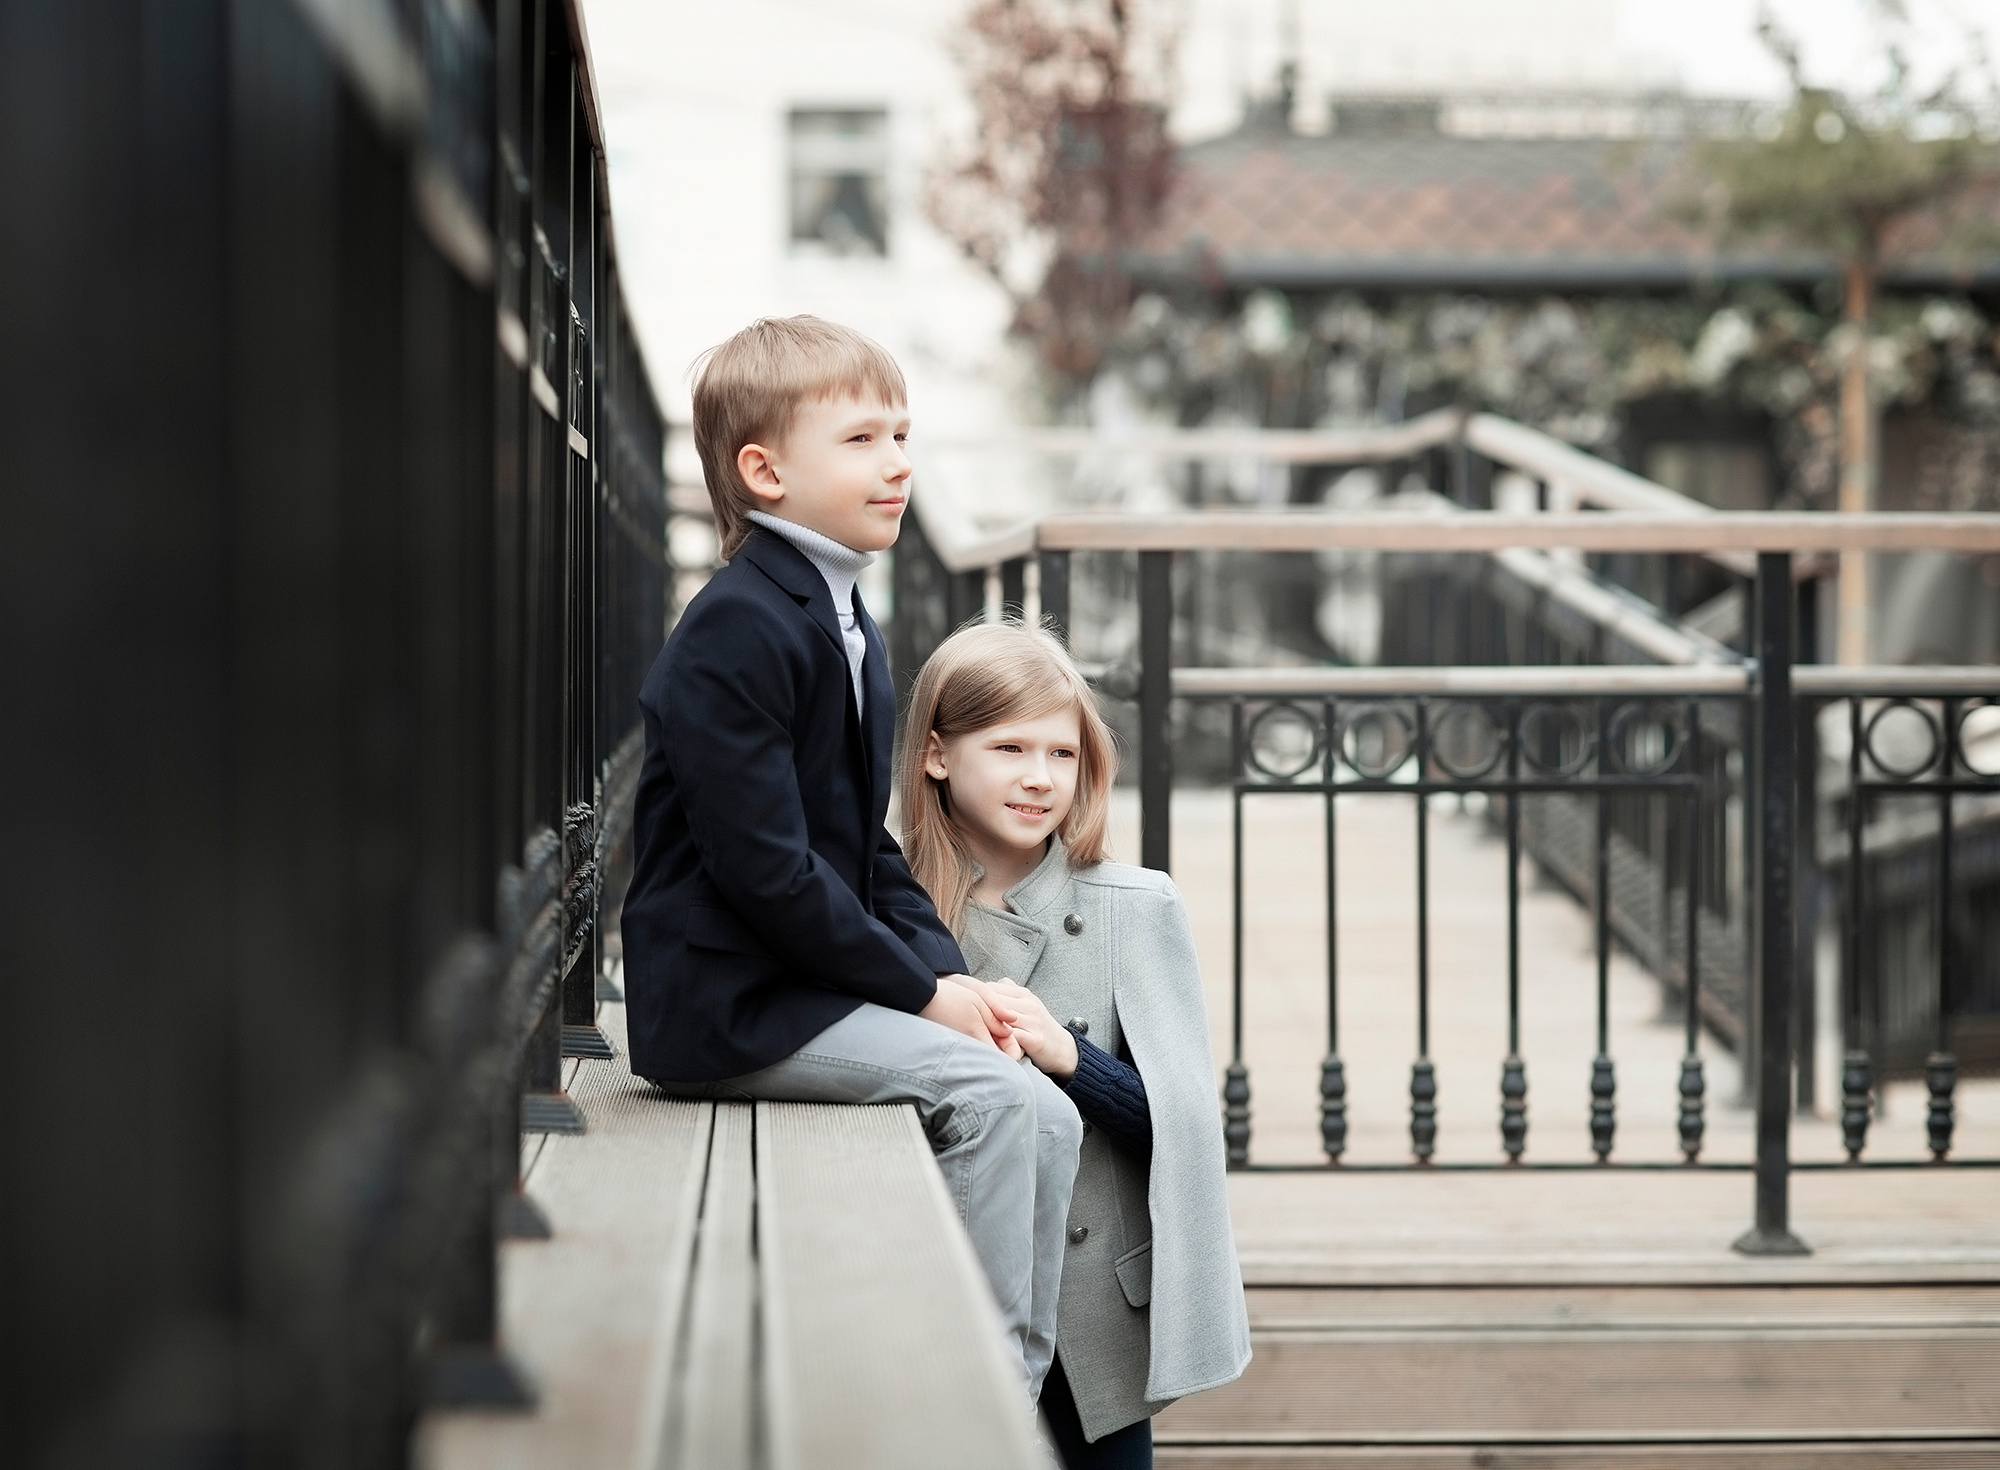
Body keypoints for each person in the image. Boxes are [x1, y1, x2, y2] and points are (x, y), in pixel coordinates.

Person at [621, 316, 1081, 1397]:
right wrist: (919, 993)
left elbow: (861, 851)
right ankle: (964, 1404)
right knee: (996, 1099)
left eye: (902, 435)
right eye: (864, 439)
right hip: (730, 1008)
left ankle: (1010, 1391)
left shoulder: (841, 615)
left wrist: (954, 977)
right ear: (764, 471)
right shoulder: (739, 627)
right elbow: (767, 872)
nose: (899, 463)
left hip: (798, 985)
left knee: (1046, 1107)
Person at [899, 621, 1252, 1469]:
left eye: (1063, 754)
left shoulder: (1134, 906)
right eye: (1010, 746)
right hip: (939, 1282)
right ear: (938, 755)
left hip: (1092, 1311)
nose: (1038, 777)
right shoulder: (892, 910)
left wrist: (1070, 1056)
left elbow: (1184, 1128)